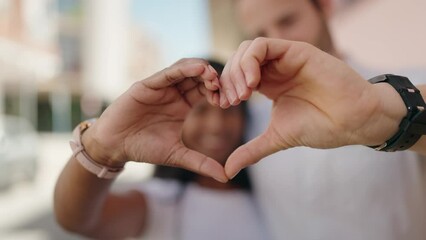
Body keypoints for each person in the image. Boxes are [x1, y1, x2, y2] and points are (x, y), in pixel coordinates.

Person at [222, 0, 426, 239]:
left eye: (287, 21)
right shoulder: (248, 124)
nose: (274, 41)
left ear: (325, 6)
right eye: (260, 34)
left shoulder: (410, 89)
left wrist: (381, 110)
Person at [54, 59, 269, 240]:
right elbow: (76, 220)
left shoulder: (269, 193)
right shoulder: (160, 201)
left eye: (229, 110)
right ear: (178, 118)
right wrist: (100, 149)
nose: (216, 125)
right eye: (201, 110)